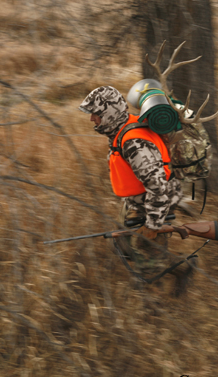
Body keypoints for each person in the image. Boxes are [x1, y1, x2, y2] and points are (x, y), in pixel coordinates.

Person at [79, 86, 192, 294]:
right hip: (135, 201)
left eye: (96, 113)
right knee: (122, 244)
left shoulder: (134, 143)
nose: (92, 119)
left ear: (109, 112)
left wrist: (152, 224)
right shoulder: (121, 129)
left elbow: (159, 188)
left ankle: (152, 312)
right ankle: (176, 265)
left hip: (152, 204)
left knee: (146, 265)